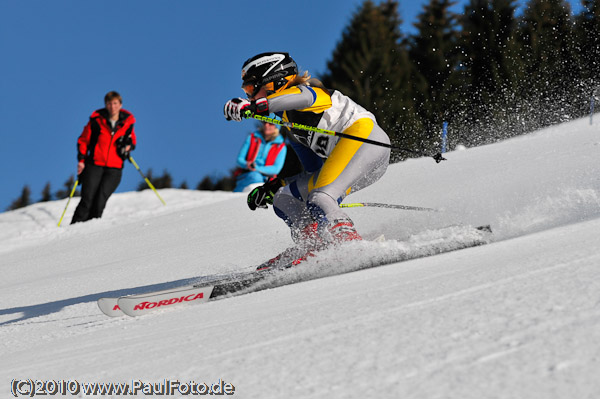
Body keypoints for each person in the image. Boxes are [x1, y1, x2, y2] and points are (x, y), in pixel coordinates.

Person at [224, 52, 391, 267]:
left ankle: (349, 243)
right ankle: (314, 244)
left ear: (273, 80)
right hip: (354, 165)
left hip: (366, 140)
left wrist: (256, 107)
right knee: (285, 199)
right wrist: (275, 185)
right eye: (247, 92)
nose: (249, 96)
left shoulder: (308, 90)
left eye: (251, 88)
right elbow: (314, 171)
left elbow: (303, 98)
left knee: (322, 197)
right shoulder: (291, 126)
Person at [71, 91, 137, 224]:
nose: (112, 107)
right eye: (109, 103)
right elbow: (83, 140)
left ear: (120, 105)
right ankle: (74, 229)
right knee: (87, 200)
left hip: (114, 168)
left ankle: (91, 232)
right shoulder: (96, 121)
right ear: (105, 105)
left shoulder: (127, 123)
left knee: (100, 201)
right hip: (95, 164)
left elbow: (132, 141)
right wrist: (81, 160)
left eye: (115, 103)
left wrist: (127, 146)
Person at [233, 117, 287, 192]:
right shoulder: (252, 138)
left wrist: (256, 168)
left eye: (271, 123)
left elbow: (276, 169)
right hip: (247, 175)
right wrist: (247, 164)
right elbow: (239, 160)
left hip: (268, 180)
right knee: (255, 177)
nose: (266, 125)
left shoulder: (281, 147)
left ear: (276, 127)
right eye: (265, 122)